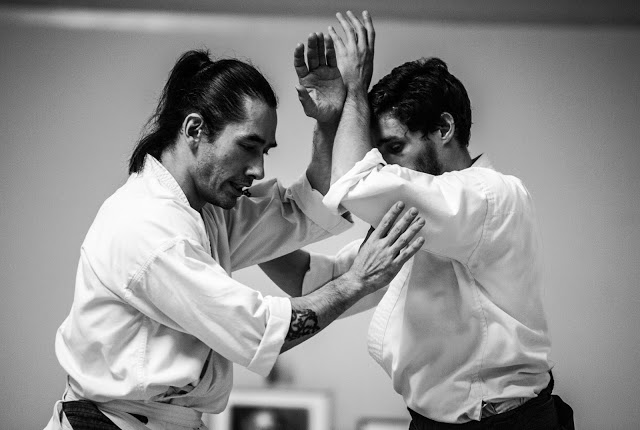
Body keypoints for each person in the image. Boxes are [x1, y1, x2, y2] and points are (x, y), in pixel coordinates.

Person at [44, 48, 426, 430]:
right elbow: (257, 330)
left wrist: (328, 121)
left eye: (264, 151)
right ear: (194, 130)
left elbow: (303, 208)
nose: (258, 169)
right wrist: (357, 280)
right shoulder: (150, 227)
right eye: (248, 146)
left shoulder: (207, 209)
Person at [275, 10, 574, 429]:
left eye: (395, 148)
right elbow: (314, 283)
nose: (386, 167)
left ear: (444, 128)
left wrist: (354, 92)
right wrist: (241, 225)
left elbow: (356, 184)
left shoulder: (490, 196)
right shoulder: (425, 218)